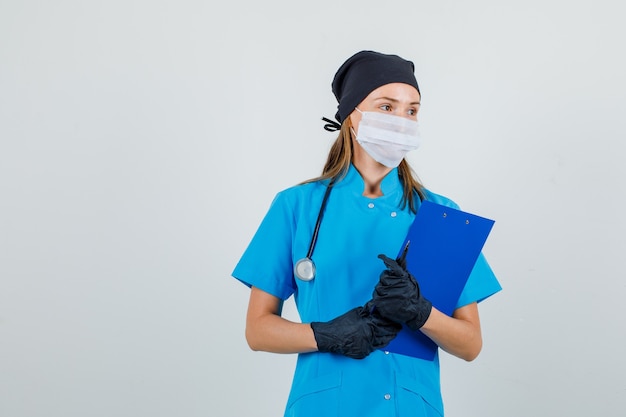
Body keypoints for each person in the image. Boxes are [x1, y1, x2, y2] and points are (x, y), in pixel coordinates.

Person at [232, 50, 501, 417]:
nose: (402, 120)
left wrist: (421, 313)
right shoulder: (297, 206)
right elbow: (258, 330)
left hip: (410, 406)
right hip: (324, 405)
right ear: (351, 116)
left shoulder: (442, 215)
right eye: (386, 107)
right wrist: (325, 334)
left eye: (412, 110)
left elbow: (470, 344)